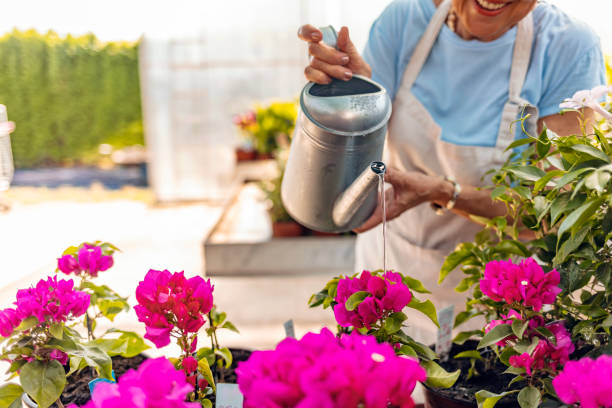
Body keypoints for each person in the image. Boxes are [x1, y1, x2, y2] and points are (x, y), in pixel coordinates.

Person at [298, 0, 606, 342]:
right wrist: (350, 95)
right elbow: (352, 151)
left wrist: (444, 192)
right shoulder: (402, 21)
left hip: (500, 304)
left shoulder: (569, 46)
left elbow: (552, 217)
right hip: (394, 267)